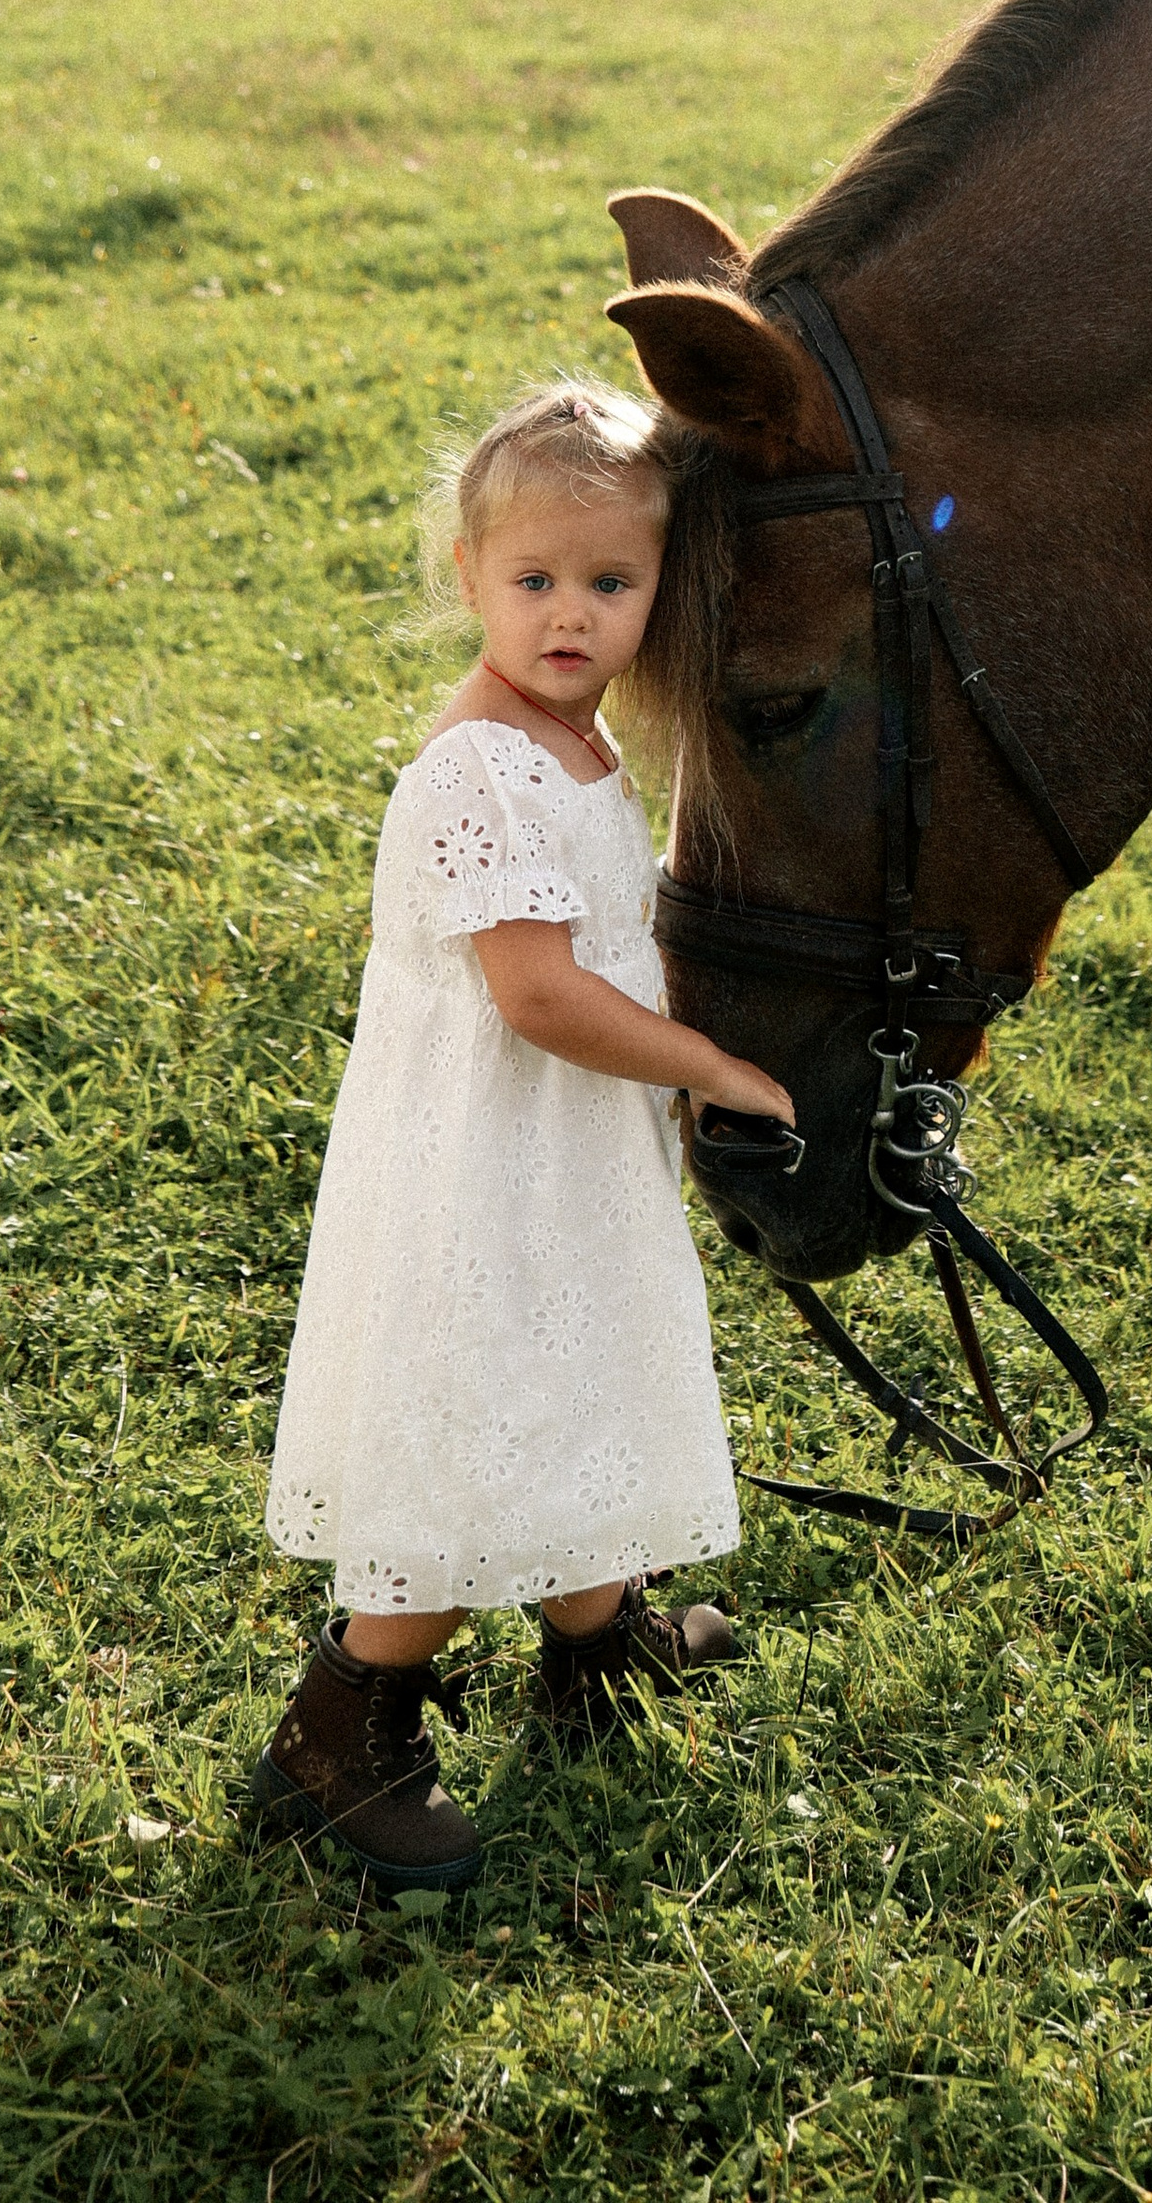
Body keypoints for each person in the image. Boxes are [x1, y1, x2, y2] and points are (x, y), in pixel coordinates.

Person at [254, 377, 792, 1894]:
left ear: (659, 595)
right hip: (480, 1170)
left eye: (611, 583)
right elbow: (541, 996)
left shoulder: (580, 743)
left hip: (560, 1160)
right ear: (469, 578)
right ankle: (338, 1736)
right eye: (535, 581)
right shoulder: (479, 769)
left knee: (581, 1376)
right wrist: (712, 1066)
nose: (571, 615)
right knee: (476, 1412)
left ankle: (592, 1646)